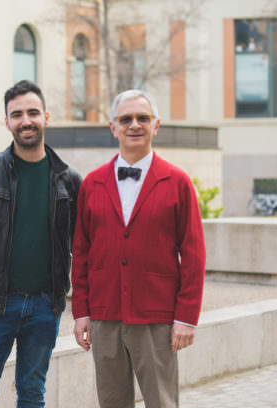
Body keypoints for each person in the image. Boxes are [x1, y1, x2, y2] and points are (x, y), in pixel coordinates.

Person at [0, 80, 82, 407]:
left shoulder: (69, 180)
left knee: (32, 392)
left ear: (46, 117)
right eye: (17, 114)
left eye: (33, 113)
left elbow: (82, 243)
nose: (26, 120)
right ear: (7, 121)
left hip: (44, 306)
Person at [71, 89, 206, 408]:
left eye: (142, 118)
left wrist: (186, 317)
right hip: (105, 314)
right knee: (112, 401)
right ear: (113, 127)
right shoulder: (92, 183)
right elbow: (82, 252)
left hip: (156, 316)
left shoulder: (177, 182)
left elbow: (194, 254)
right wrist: (81, 311)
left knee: (161, 401)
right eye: (126, 118)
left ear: (155, 125)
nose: (134, 125)